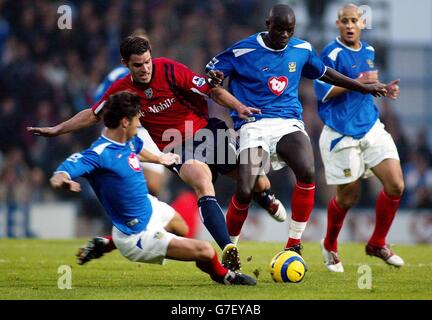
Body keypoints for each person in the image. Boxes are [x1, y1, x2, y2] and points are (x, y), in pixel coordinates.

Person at [27, 35, 286, 271]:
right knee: (202, 180)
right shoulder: (122, 89)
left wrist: (239, 106)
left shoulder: (170, 70)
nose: (145, 68)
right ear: (126, 64)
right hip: (175, 146)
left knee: (256, 181)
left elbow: (211, 90)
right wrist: (57, 129)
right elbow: (93, 114)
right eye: (138, 64)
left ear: (152, 56)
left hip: (207, 132)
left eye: (147, 62)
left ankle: (262, 194)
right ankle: (228, 248)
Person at [205, 4, 387, 254]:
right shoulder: (243, 49)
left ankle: (294, 244)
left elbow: (325, 73)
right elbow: (213, 73)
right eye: (279, 29)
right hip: (253, 123)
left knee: (307, 170)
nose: (283, 35)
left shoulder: (301, 49)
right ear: (268, 25)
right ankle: (230, 250)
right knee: (245, 190)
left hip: (287, 121)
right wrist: (213, 77)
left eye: (288, 30)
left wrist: (361, 86)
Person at [50, 91, 256, 285]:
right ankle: (226, 277)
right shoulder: (98, 154)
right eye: (137, 119)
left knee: (181, 228)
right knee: (206, 251)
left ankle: (108, 243)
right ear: (124, 122)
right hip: (136, 235)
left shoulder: (128, 140)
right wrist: (63, 180)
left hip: (150, 207)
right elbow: (63, 172)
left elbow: (138, 151)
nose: (140, 123)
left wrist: (159, 159)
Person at [313, 3, 404, 272]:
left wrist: (384, 90)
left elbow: (367, 85)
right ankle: (329, 244)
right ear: (338, 25)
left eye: (354, 20)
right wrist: (360, 82)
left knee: (396, 184)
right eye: (345, 21)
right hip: (341, 133)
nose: (350, 25)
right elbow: (323, 92)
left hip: (371, 126)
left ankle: (377, 242)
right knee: (348, 197)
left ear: (362, 23)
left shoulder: (369, 51)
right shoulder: (331, 52)